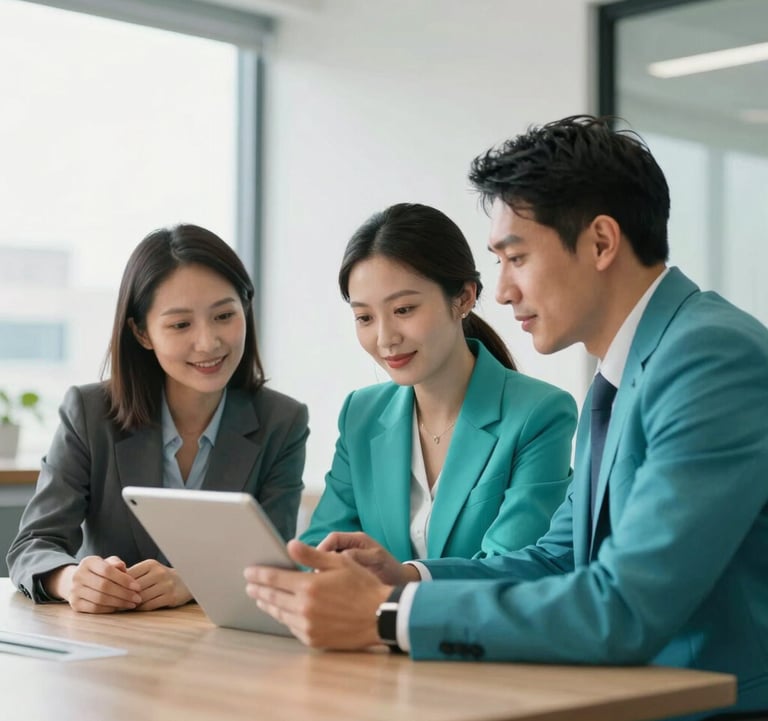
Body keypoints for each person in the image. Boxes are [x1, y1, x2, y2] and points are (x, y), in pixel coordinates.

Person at [244, 116, 768, 718]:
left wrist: (385, 616)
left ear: (601, 242)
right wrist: (405, 578)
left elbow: (623, 608)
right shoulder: (626, 371)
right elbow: (556, 558)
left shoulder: (708, 358)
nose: (501, 292)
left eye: (515, 258)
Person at [8, 224, 309, 614]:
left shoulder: (281, 421)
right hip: (108, 644)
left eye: (224, 315)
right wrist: (70, 579)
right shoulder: (90, 411)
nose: (209, 342)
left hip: (222, 651)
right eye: (180, 324)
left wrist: (189, 580)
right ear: (142, 332)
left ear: (245, 309)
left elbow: (274, 561)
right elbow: (32, 546)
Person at [300, 202, 577, 562]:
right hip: (366, 619)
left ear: (464, 297)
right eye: (365, 317)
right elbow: (318, 549)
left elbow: (510, 568)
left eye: (403, 310)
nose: (385, 338)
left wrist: (402, 582)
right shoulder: (361, 414)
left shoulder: (539, 414)